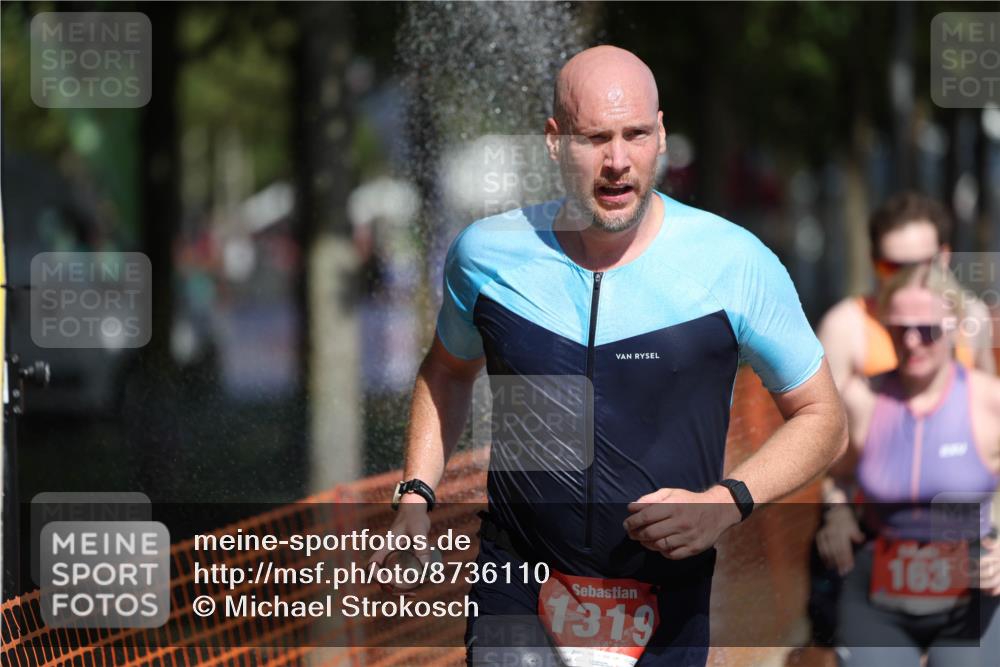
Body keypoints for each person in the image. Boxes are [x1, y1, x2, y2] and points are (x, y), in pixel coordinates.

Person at [371, 45, 847, 667]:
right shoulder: (485, 255)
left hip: (665, 596)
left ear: (662, 135)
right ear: (554, 141)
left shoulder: (735, 263)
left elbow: (824, 420)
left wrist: (726, 502)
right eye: (595, 138)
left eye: (636, 135)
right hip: (520, 580)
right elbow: (446, 370)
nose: (618, 162)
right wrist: (416, 497)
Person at [815, 263, 1000, 666]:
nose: (913, 341)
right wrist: (837, 515)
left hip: (973, 588)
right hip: (880, 586)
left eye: (928, 329)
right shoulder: (862, 400)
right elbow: (838, 476)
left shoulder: (989, 402)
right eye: (900, 329)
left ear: (953, 324)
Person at [818, 192, 995, 392]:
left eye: (924, 265)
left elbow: (989, 406)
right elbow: (831, 418)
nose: (909, 278)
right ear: (873, 262)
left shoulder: (972, 316)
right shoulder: (844, 327)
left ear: (944, 258)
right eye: (893, 267)